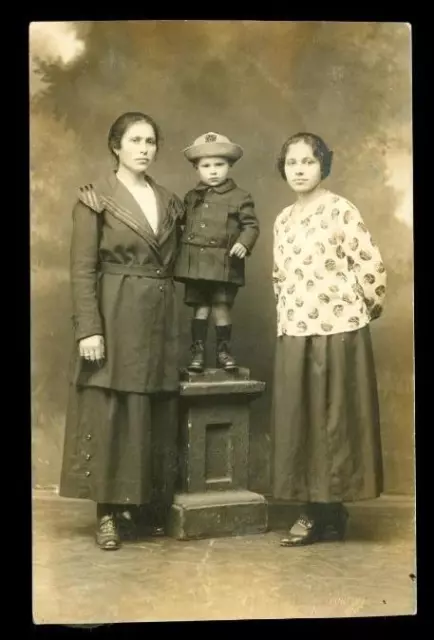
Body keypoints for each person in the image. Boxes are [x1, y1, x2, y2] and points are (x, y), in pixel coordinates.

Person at [59, 112, 184, 550]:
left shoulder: (169, 200)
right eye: (135, 140)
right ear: (116, 146)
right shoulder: (96, 198)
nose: (145, 148)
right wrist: (88, 329)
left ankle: (139, 506)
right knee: (111, 409)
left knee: (148, 409)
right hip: (114, 313)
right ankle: (108, 513)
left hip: (158, 316)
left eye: (151, 141)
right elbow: (81, 270)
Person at [271, 132, 386, 546]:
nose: (300, 170)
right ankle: (313, 509)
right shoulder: (283, 220)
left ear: (324, 166)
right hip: (296, 331)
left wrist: (360, 312)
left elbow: (370, 266)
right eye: (292, 163)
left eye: (308, 162)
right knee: (303, 421)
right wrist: (288, 319)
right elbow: (279, 279)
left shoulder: (341, 210)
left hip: (340, 331)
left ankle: (331, 509)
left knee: (336, 421)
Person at [174, 132, 260, 372]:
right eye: (206, 165)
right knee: (200, 307)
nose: (213, 171)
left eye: (219, 165)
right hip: (196, 263)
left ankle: (223, 350)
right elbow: (180, 224)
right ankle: (198, 350)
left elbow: (251, 225)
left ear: (230, 165)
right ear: (196, 168)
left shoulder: (241, 197)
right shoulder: (191, 198)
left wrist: (244, 243)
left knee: (221, 307)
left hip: (224, 263)